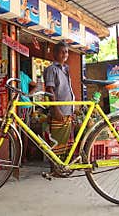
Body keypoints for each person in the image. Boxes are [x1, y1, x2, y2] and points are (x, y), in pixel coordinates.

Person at [43, 41, 75, 175]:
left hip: (68, 110)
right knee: (56, 142)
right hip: (59, 110)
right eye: (62, 52)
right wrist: (55, 109)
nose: (65, 54)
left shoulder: (65, 69)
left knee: (66, 142)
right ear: (55, 53)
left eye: (66, 52)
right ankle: (55, 169)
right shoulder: (51, 69)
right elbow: (50, 89)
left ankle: (63, 167)